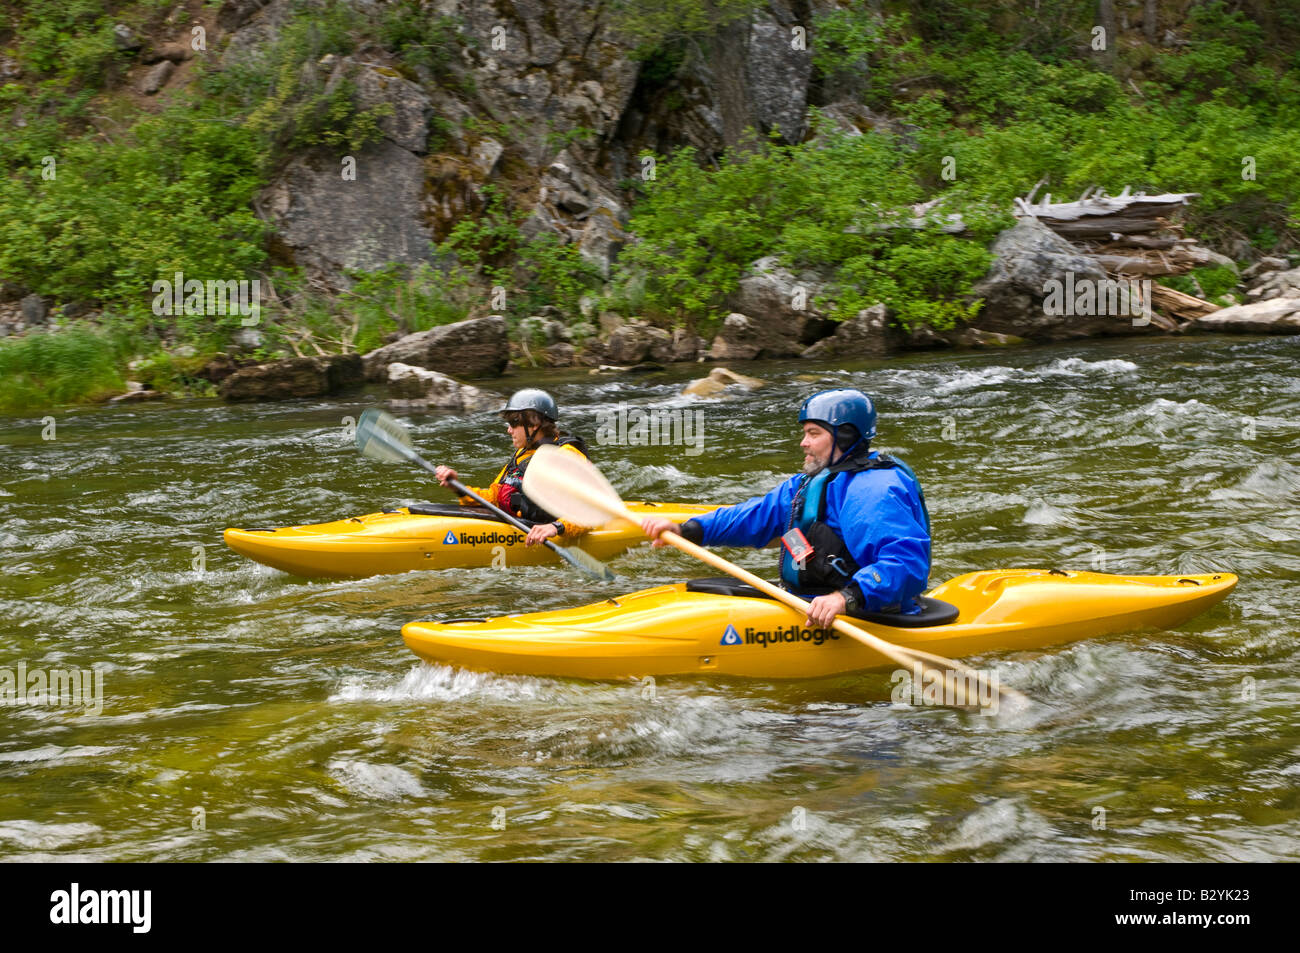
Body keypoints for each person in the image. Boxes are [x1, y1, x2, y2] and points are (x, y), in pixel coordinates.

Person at [641, 388, 931, 628]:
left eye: (814, 433)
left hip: (869, 613)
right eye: (805, 433)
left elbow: (906, 564)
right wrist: (689, 530)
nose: (803, 443)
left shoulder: (873, 490)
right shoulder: (811, 482)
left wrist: (845, 598)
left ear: (845, 436)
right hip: (811, 599)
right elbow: (755, 516)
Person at [435, 388, 590, 546]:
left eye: (514, 423)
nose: (509, 430)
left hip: (555, 532)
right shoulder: (522, 455)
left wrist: (555, 527)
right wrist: (458, 488)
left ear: (534, 423)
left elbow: (589, 511)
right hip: (521, 525)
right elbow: (494, 498)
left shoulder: (566, 455)